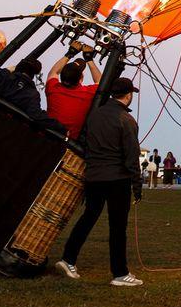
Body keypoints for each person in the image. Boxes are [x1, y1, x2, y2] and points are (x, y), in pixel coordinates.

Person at [56, 77, 143, 287]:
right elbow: (131, 156)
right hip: (117, 179)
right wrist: (137, 186)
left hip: (94, 176)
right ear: (128, 95)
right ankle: (120, 273)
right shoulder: (126, 121)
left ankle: (68, 258)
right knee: (117, 226)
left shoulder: (94, 115)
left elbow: (85, 141)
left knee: (88, 218)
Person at [0, 58, 67, 134]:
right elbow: (37, 116)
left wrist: (6, 70)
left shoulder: (3, 75)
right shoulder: (32, 94)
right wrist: (61, 128)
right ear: (33, 74)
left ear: (19, 66)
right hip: (0, 132)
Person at [44, 43, 102, 140]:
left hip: (45, 136)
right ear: (81, 78)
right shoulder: (87, 94)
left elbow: (53, 72)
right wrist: (89, 59)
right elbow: (101, 81)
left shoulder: (53, 89)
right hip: (66, 146)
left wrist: (70, 53)